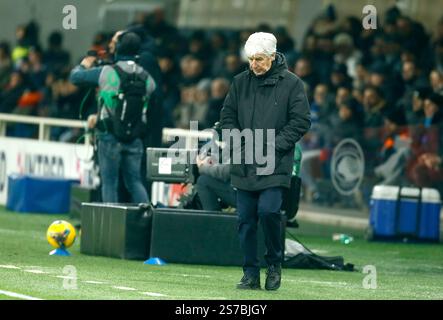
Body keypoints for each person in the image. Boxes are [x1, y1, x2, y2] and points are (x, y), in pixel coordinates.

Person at [220, 32, 310, 290]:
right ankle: (250, 272)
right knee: (245, 220)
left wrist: (275, 146)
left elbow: (301, 121)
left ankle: (274, 263)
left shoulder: (292, 84)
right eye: (251, 59)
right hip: (245, 162)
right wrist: (239, 143)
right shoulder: (239, 83)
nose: (254, 65)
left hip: (275, 162)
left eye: (259, 59)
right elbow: (227, 117)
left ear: (272, 57)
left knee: (269, 211)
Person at [69, 32, 156, 203]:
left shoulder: (107, 72)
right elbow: (150, 94)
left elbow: (75, 77)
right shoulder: (147, 78)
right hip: (134, 137)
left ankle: (111, 227)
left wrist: (85, 64)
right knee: (134, 182)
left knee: (109, 183)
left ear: (119, 48)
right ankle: (146, 218)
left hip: (109, 135)